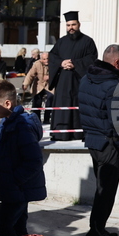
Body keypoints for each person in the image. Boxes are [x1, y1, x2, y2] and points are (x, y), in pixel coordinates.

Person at [78, 44, 119, 236]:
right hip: (110, 144)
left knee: (102, 189)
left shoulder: (87, 78)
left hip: (94, 141)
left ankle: (98, 229)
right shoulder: (114, 84)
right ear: (117, 63)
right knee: (106, 192)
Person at [0, 80, 46, 236]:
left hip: (18, 189)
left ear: (7, 103)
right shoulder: (7, 124)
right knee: (19, 229)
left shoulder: (21, 126)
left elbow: (33, 161)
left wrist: (14, 180)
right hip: (13, 189)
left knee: (4, 226)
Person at [48, 11, 98, 141]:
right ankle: (60, 133)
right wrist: (61, 62)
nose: (71, 27)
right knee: (62, 105)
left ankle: (79, 133)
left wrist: (75, 63)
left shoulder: (88, 41)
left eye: (73, 24)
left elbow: (92, 58)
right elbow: (52, 56)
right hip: (63, 81)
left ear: (79, 24)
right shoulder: (61, 41)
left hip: (79, 80)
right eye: (68, 25)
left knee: (79, 105)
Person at [23, 50, 52, 123]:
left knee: (51, 98)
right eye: (44, 59)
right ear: (41, 59)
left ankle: (46, 119)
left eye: (48, 58)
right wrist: (25, 84)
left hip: (49, 85)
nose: (46, 60)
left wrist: (50, 77)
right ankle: (36, 120)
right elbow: (30, 74)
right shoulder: (36, 64)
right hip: (39, 84)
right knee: (36, 100)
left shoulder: (53, 63)